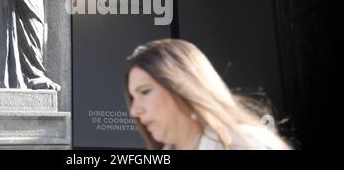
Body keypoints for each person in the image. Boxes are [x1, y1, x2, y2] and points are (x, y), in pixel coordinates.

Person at [125, 39, 292, 150]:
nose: (135, 110)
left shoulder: (248, 144)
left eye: (145, 91)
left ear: (183, 85)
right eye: (132, 97)